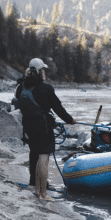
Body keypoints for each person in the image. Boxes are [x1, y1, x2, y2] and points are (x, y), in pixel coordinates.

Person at [15, 58, 75, 201]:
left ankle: (37, 189)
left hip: (28, 127)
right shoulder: (46, 88)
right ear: (40, 72)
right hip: (43, 128)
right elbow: (58, 108)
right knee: (43, 159)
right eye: (43, 70)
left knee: (35, 156)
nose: (44, 73)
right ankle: (44, 193)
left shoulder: (20, 87)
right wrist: (70, 120)